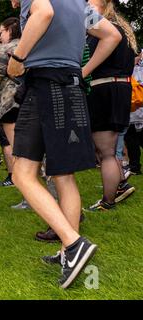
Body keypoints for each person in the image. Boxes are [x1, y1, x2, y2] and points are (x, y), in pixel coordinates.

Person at [8, 0, 122, 288]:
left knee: (22, 174)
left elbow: (44, 12)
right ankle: (67, 253)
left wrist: (17, 58)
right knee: (63, 175)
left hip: (44, 84)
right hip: (71, 85)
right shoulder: (77, 4)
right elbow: (112, 35)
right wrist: (83, 71)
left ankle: (72, 244)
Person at [85, 0, 138, 211]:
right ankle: (120, 185)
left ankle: (108, 201)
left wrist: (84, 71)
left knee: (106, 151)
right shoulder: (121, 28)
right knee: (109, 149)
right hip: (120, 89)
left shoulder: (103, 27)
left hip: (104, 90)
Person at [0, 17, 21, 187]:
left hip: (10, 103)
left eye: (1, 32)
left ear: (10, 30)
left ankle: (29, 193)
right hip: (30, 100)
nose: (0, 36)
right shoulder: (30, 45)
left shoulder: (5, 49)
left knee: (19, 151)